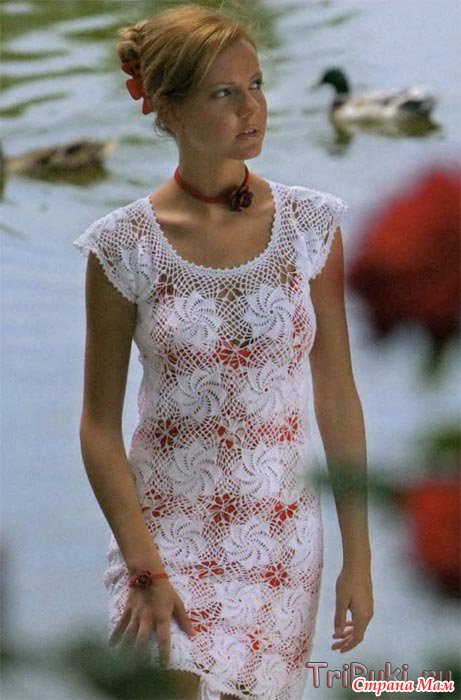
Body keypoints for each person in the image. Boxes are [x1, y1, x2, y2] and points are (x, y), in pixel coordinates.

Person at [72, 4, 373, 700]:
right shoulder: (122, 247)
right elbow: (97, 427)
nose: (251, 108)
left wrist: (357, 559)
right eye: (224, 92)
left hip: (277, 536)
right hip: (161, 534)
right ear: (169, 108)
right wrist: (145, 567)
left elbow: (337, 397)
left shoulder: (310, 226)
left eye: (256, 84)